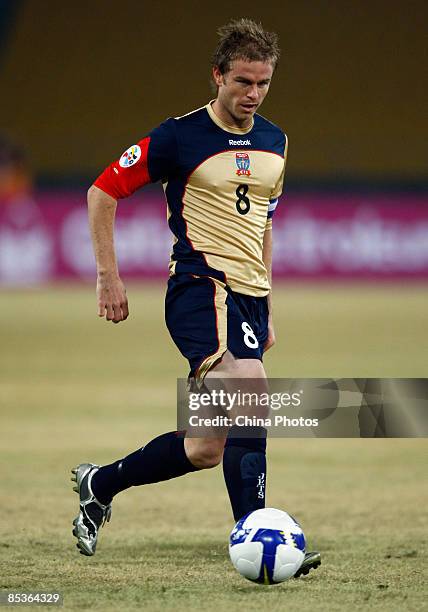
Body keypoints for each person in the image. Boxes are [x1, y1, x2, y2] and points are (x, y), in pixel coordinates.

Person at [72, 18, 321, 579]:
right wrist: (107, 276)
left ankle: (99, 483)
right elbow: (101, 192)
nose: (252, 94)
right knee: (253, 394)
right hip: (199, 288)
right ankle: (258, 539)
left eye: (262, 83)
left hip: (249, 299)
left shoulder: (276, 141)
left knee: (206, 445)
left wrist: (268, 300)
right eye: (241, 82)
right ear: (217, 76)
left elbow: (262, 223)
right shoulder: (177, 137)